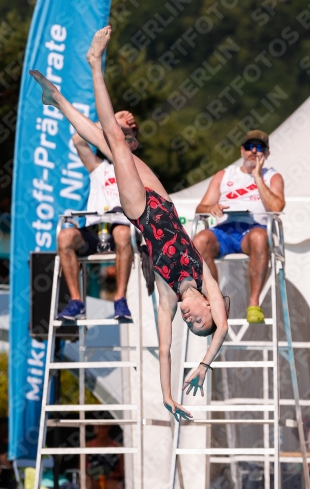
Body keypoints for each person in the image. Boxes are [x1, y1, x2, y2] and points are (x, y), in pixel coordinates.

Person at [29, 25, 229, 422]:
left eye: (192, 324)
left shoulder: (169, 296)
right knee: (106, 141)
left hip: (142, 211)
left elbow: (166, 350)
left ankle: (94, 64)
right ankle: (57, 100)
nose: (193, 319)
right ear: (208, 304)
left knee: (116, 141)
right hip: (165, 202)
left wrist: (168, 396)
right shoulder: (206, 280)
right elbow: (223, 330)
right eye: (200, 318)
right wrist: (206, 364)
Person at [193, 129, 285, 324]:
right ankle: (215, 301)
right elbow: (200, 207)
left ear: (266, 153)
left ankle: (253, 304)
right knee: (199, 240)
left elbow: (277, 207)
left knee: (260, 238)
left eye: (259, 148)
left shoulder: (272, 177)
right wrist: (212, 207)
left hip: (253, 231)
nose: (254, 151)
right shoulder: (225, 175)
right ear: (241, 151)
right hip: (224, 230)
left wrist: (258, 177)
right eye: (249, 147)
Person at [57, 111, 138, 321]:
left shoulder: (139, 170)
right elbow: (77, 139)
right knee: (65, 236)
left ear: (135, 145)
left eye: (127, 137)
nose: (120, 140)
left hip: (121, 228)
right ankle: (76, 301)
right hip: (95, 231)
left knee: (121, 233)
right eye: (118, 135)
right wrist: (108, 120)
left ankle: (120, 299)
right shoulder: (99, 168)